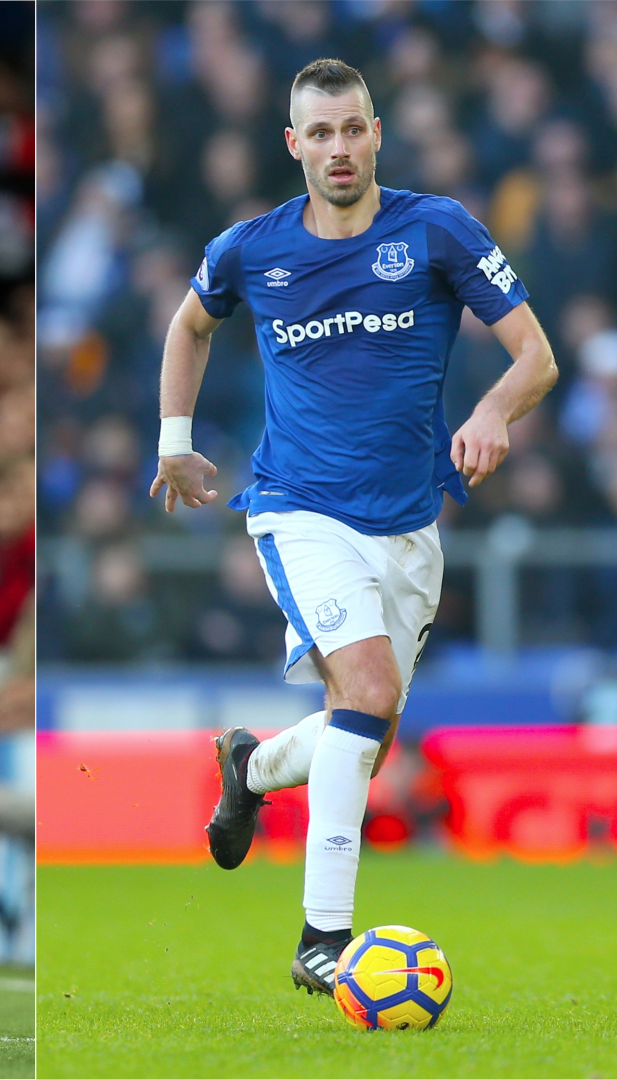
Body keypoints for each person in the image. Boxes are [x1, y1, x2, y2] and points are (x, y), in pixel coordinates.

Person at [151, 58, 558, 994]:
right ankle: (321, 941)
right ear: (293, 145)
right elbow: (188, 327)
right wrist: (175, 440)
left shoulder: (438, 229)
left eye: (353, 130)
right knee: (366, 688)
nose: (339, 148)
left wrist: (494, 409)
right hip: (297, 508)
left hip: (411, 525)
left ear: (378, 135)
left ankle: (250, 768)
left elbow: (536, 355)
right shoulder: (251, 248)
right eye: (320, 133)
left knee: (363, 728)